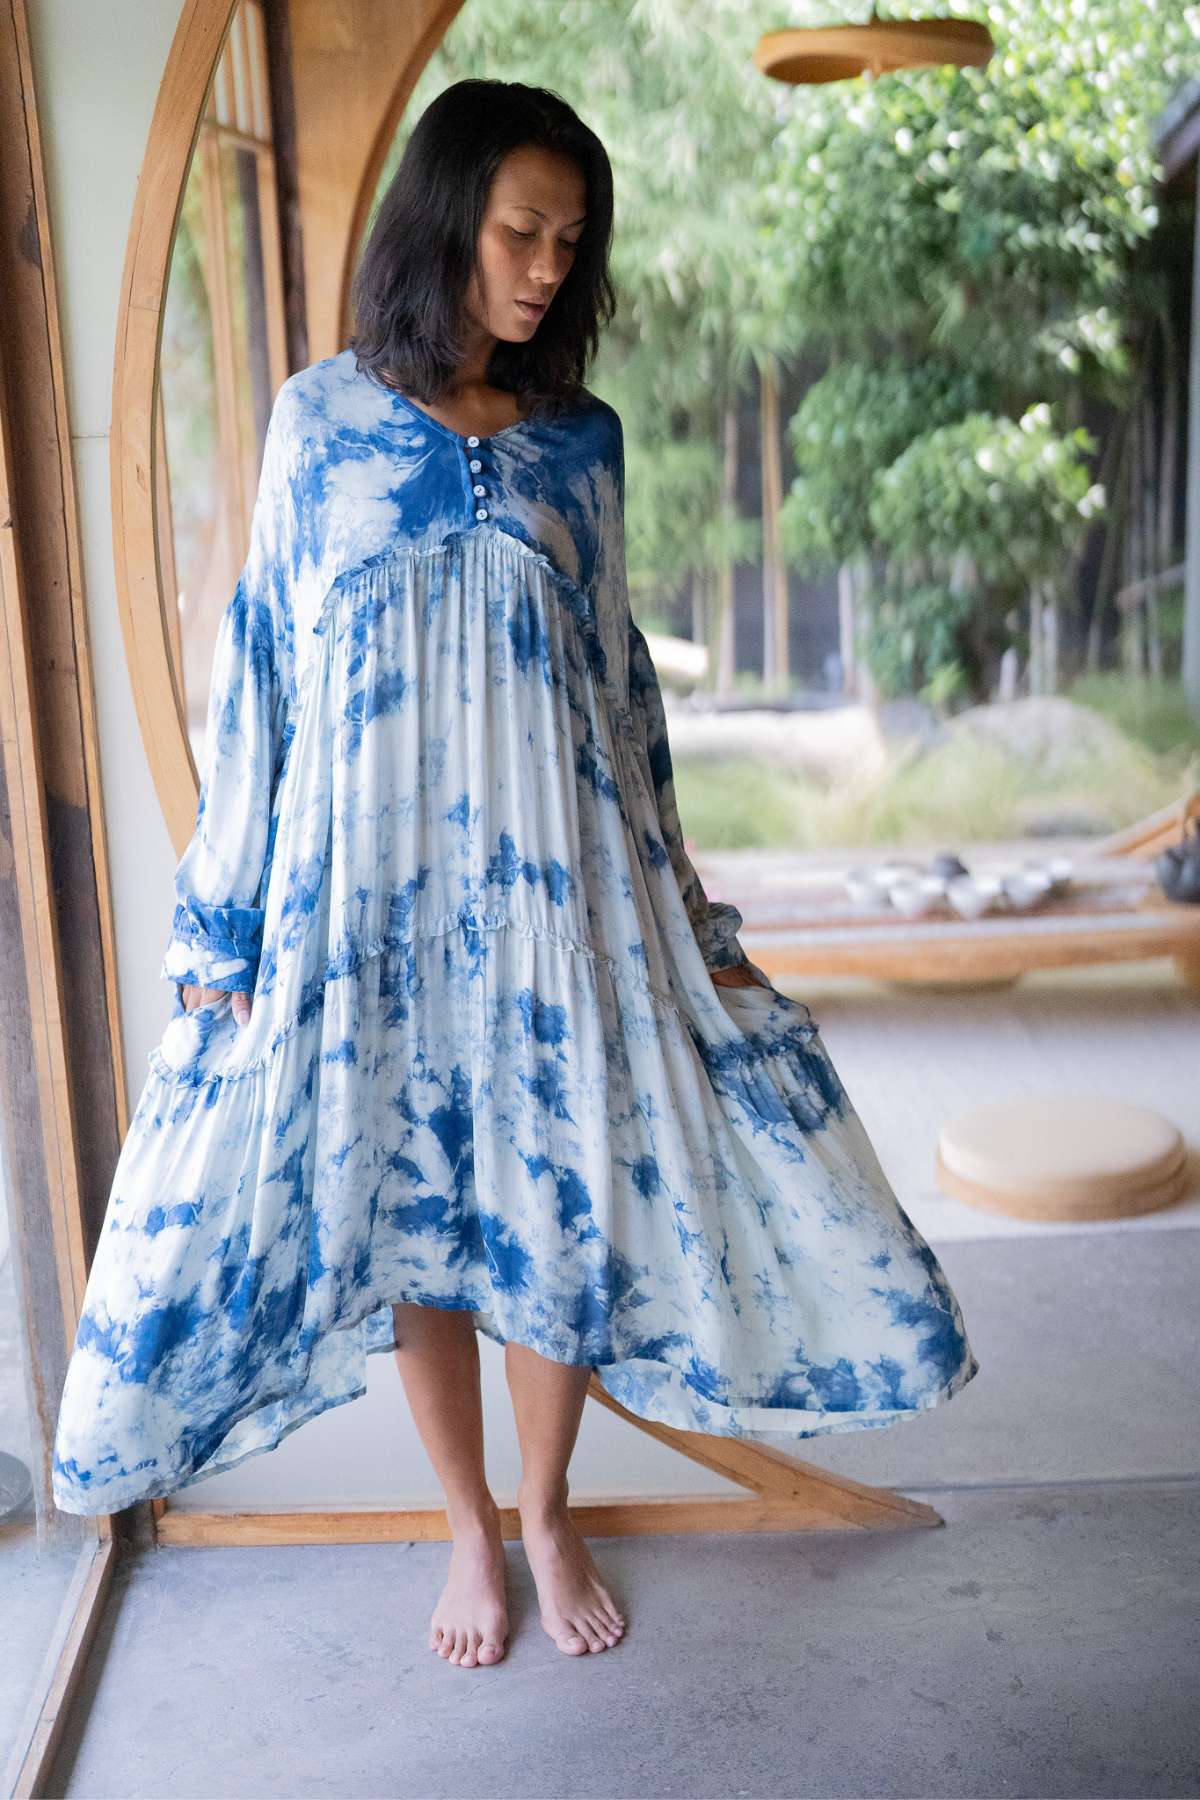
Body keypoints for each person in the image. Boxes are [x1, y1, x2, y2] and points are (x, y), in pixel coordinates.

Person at [51, 79, 979, 1670]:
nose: (550, 268)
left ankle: (548, 1512)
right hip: (373, 911)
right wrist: (224, 918)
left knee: (554, 1209)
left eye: (572, 242)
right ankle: (467, 1527)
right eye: (521, 232)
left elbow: (623, 691)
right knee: (423, 1219)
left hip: (558, 904)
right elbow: (262, 680)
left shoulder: (581, 444)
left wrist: (689, 910)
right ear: (446, 222)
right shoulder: (316, 424)